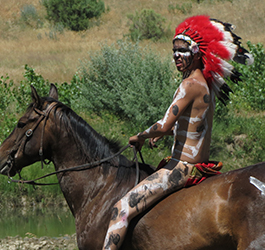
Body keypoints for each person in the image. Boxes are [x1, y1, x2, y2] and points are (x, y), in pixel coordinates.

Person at [103, 15, 253, 250]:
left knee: (120, 209)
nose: (176, 56)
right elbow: (193, 124)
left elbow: (162, 125)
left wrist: (140, 136)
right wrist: (170, 131)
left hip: (181, 168)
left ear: (195, 53)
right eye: (174, 51)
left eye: (182, 51)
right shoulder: (205, 85)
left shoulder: (189, 85)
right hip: (200, 165)